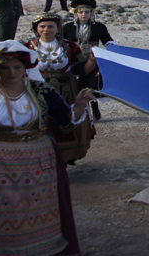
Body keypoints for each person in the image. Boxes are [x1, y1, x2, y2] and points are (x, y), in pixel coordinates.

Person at [0, 41, 93, 256]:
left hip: (38, 163)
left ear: (25, 68)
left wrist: (78, 105)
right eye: (6, 68)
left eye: (17, 67)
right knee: (3, 215)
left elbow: (66, 123)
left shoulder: (43, 92)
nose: (12, 72)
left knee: (41, 212)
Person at [25, 14, 97, 164]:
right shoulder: (27, 47)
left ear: (57, 28)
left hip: (66, 91)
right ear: (36, 29)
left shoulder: (70, 46)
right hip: (37, 92)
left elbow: (82, 71)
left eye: (51, 26)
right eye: (42, 26)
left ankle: (64, 159)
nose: (46, 29)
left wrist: (92, 59)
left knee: (66, 121)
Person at [62, 0, 116, 121]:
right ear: (76, 13)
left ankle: (94, 104)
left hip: (91, 59)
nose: (83, 15)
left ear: (91, 13)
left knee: (90, 83)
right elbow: (61, 42)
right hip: (74, 59)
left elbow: (107, 40)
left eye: (87, 12)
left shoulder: (99, 27)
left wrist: (113, 48)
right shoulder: (67, 27)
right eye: (80, 12)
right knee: (75, 82)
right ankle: (76, 108)